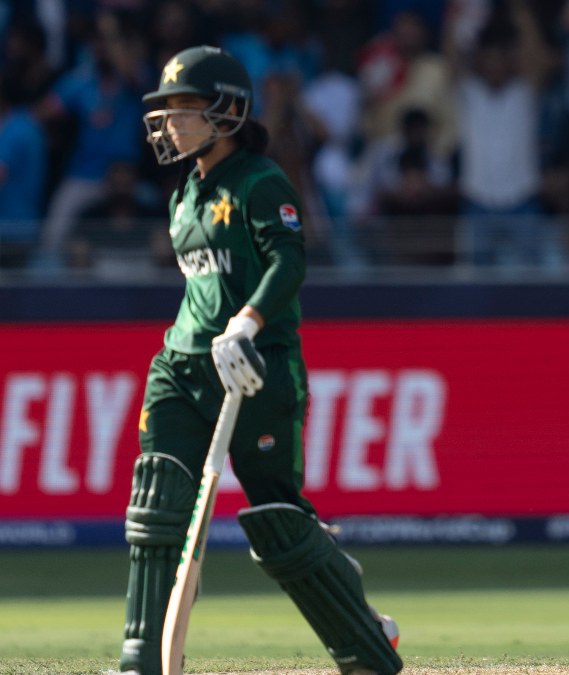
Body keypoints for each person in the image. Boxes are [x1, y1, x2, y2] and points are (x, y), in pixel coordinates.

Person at [118, 46, 401, 675]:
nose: (170, 123)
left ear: (229, 110)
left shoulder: (260, 181)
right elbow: (203, 288)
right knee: (158, 494)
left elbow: (289, 262)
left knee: (279, 523)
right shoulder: (182, 197)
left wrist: (246, 323)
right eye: (165, 112)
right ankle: (143, 656)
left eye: (185, 109)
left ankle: (366, 640)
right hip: (183, 366)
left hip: (257, 367)